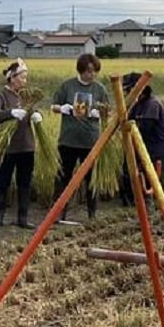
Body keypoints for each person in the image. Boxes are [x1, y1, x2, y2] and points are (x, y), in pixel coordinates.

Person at [50, 54, 110, 224]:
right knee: (63, 177)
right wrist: (63, 108)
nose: (92, 75)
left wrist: (99, 113)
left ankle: (92, 214)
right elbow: (53, 106)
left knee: (91, 179)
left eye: (95, 72)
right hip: (68, 140)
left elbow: (109, 111)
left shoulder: (99, 89)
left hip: (90, 141)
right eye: (89, 72)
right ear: (81, 70)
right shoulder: (68, 86)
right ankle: (58, 213)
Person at [0, 59, 43, 229]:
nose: (25, 81)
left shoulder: (26, 95)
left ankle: (23, 218)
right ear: (12, 77)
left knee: (24, 182)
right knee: (3, 182)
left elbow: (34, 109)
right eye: (22, 77)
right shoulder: (1, 95)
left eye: (26, 78)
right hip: (7, 147)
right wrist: (10, 112)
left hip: (26, 146)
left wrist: (37, 115)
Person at [123, 74, 164, 198]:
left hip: (161, 154)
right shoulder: (136, 106)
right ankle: (150, 215)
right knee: (145, 190)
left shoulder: (152, 104)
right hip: (146, 152)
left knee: (161, 190)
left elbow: (143, 129)